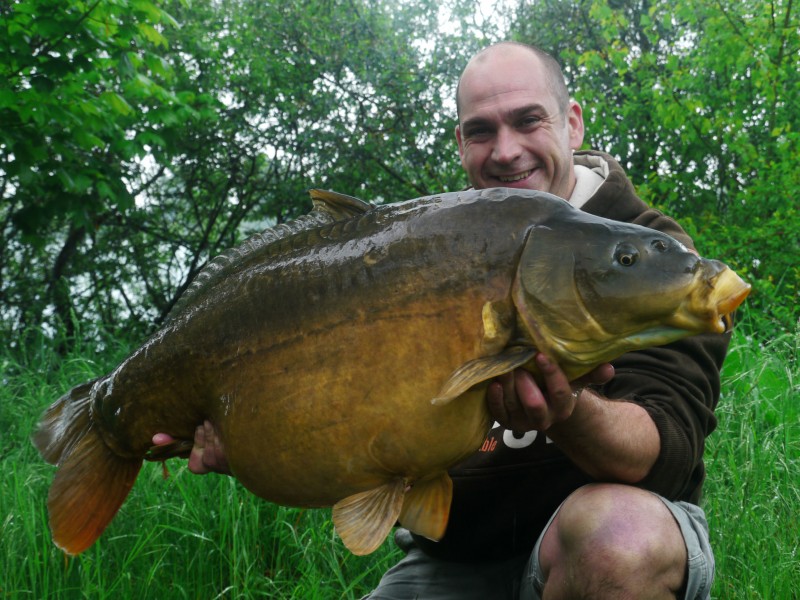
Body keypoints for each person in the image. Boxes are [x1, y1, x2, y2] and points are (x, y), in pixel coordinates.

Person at [155, 42, 726, 600]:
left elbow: (666, 453)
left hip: (590, 543)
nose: (506, 151)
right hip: (452, 560)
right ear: (461, 142)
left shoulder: (647, 256)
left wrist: (568, 413)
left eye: (528, 120)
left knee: (622, 541)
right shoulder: (429, 248)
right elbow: (361, 444)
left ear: (571, 123)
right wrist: (259, 442)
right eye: (481, 131)